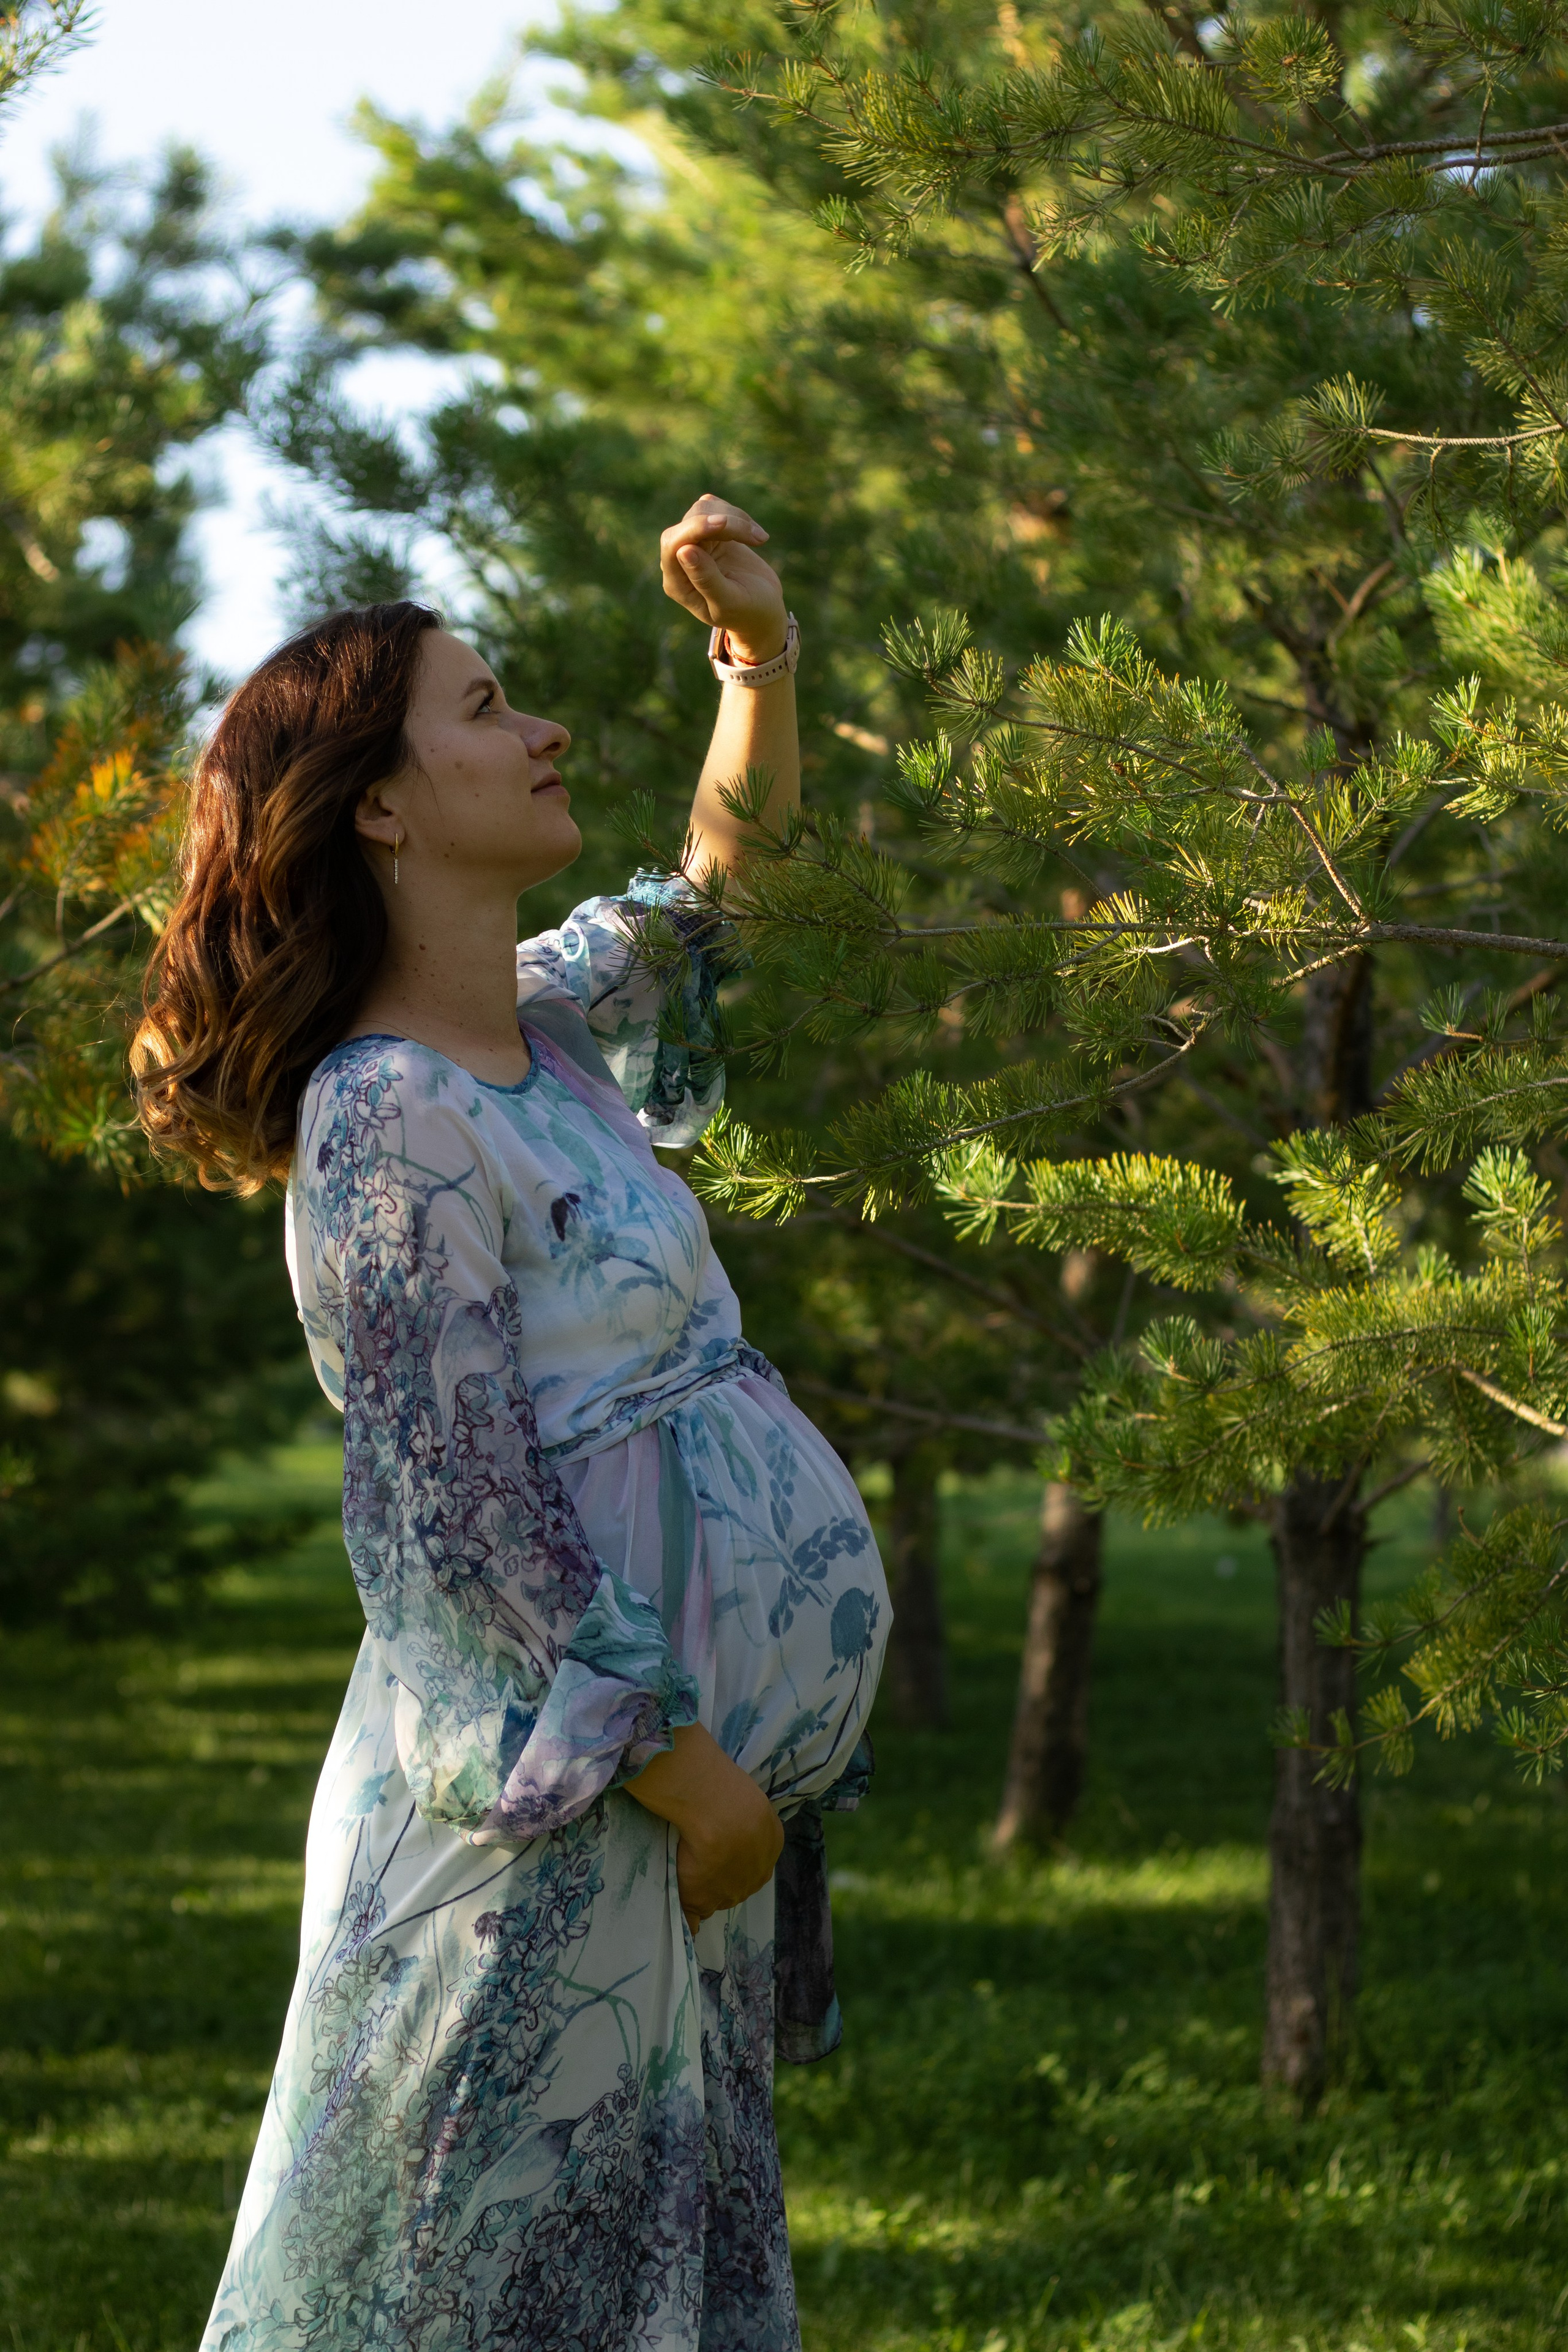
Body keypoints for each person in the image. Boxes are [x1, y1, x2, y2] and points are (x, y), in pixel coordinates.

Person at [132, 494, 889, 2352]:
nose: (543, 729)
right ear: (380, 804)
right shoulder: (389, 1117)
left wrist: (761, 657)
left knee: (622, 2281)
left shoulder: (537, 1026)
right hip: (549, 1818)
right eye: (486, 708)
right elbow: (450, 1506)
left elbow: (723, 887)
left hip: (648, 1818)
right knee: (453, 2288)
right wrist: (674, 1762)